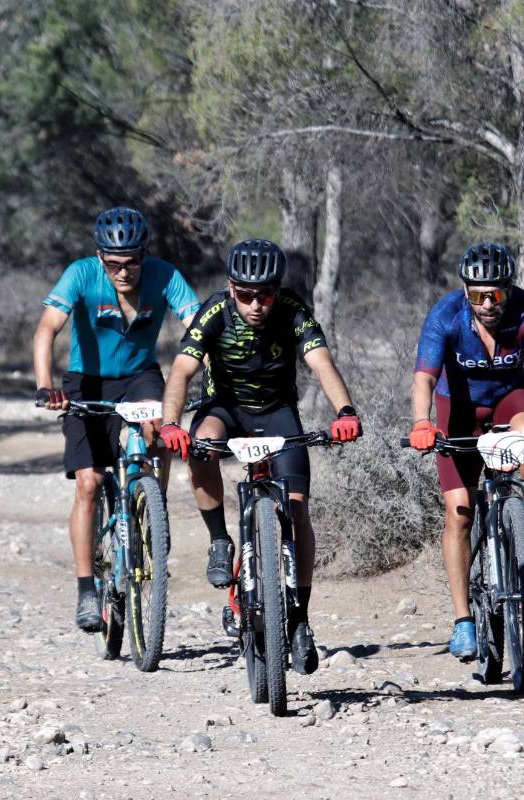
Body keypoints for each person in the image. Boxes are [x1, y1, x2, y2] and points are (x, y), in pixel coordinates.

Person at [159, 239, 362, 675]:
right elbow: (181, 370)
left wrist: (345, 411)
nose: (255, 304)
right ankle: (219, 539)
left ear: (276, 290)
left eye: (264, 295)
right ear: (231, 288)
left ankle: (301, 619)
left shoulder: (291, 310)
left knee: (298, 511)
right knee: (201, 445)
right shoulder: (213, 312)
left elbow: (321, 363)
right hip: (225, 409)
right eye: (245, 294)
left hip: (277, 412)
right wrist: (170, 423)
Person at [408, 242, 524, 661]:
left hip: (511, 398)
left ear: (510, 290)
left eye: (496, 293)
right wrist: (422, 422)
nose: (488, 303)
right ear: (465, 290)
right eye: (477, 294)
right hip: (456, 409)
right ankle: (462, 620)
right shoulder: (446, 314)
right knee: (459, 511)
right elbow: (424, 378)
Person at [33, 206, 201, 633]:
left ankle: (152, 513)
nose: (123, 273)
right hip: (85, 382)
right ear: (99, 256)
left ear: (145, 254)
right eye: (113, 264)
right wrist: (46, 385)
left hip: (139, 377)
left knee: (159, 433)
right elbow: (47, 329)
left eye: (132, 263)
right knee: (89, 482)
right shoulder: (81, 274)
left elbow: (198, 326)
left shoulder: (164, 275)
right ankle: (87, 588)